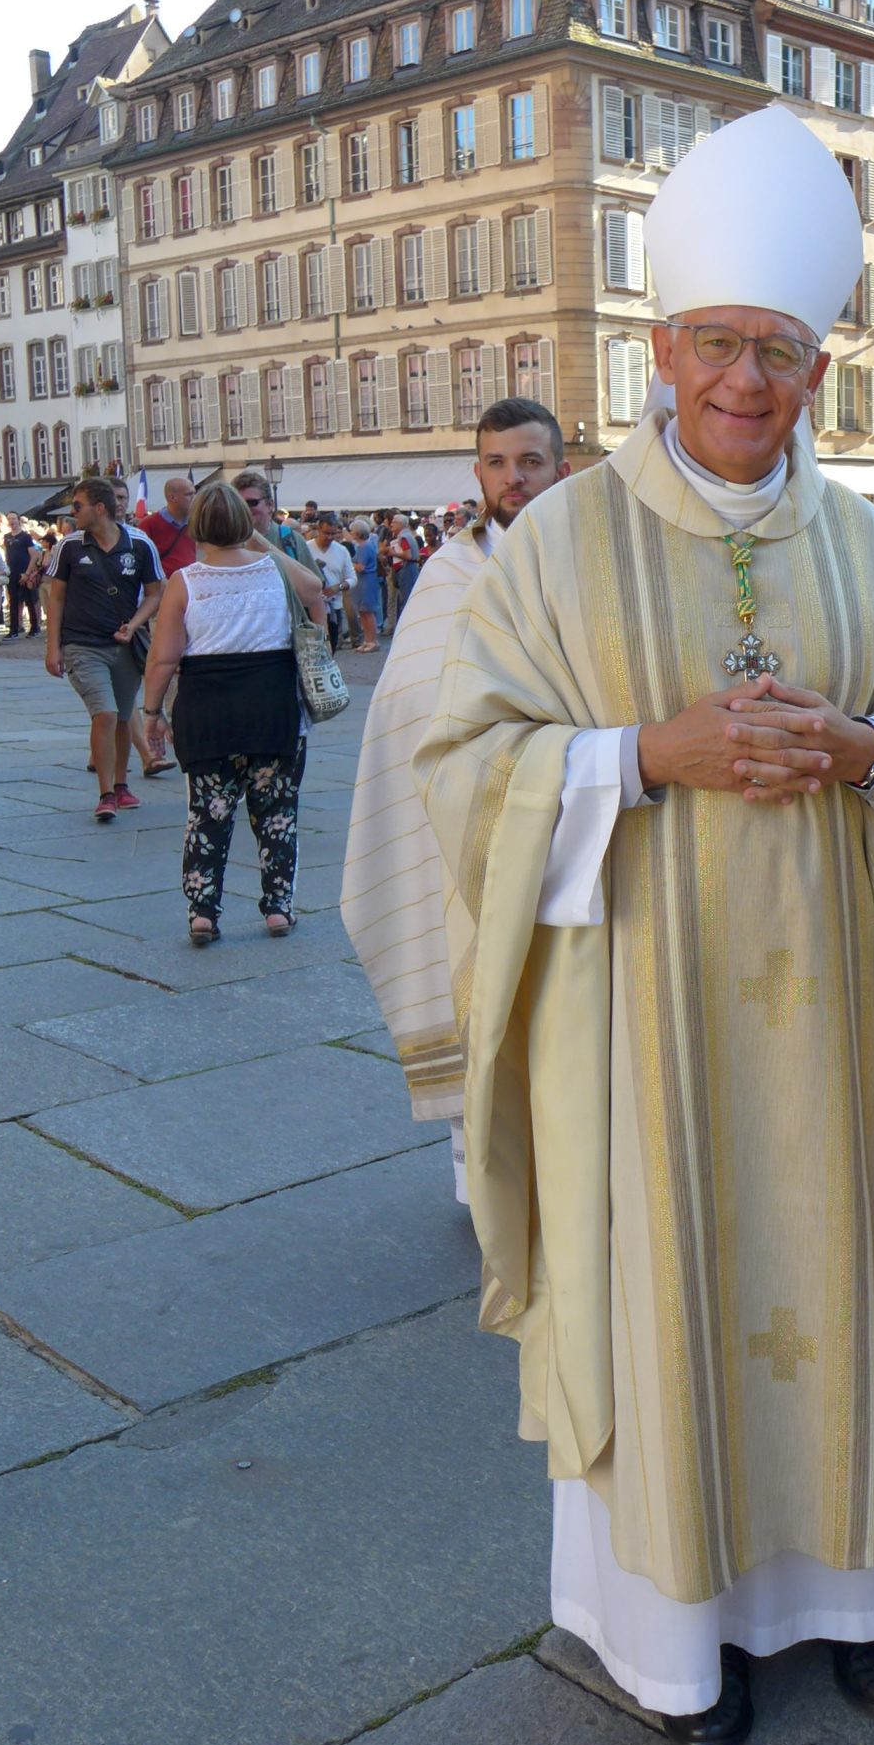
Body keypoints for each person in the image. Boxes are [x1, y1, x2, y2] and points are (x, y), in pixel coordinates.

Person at [414, 107, 874, 1745]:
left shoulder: (870, 542)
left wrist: (869, 749)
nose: (748, 380)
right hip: (641, 1031)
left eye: (781, 352)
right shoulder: (561, 541)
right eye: (720, 344)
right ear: (662, 347)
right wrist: (641, 758)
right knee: (667, 1296)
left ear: (819, 366)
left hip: (836, 1025)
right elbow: (462, 765)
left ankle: (862, 1607)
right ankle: (680, 1642)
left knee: (845, 1298)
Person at [344, 402, 573, 1197]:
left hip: (581, 813)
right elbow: (408, 701)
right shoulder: (449, 573)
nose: (514, 478)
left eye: (530, 462)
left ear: (560, 467)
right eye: (497, 463)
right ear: (478, 473)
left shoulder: (600, 563)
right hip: (468, 819)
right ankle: (477, 1167)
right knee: (467, 974)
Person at [137, 480, 323, 941]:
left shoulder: (185, 582)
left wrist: (152, 712)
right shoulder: (274, 571)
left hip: (208, 712)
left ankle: (203, 913)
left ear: (196, 526)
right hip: (273, 708)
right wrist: (259, 541)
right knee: (277, 813)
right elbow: (315, 589)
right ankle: (278, 907)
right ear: (244, 523)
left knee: (207, 815)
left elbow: (162, 658)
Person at [46, 478, 165, 821]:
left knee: (124, 718)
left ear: (99, 508)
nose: (73, 513)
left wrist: (136, 622)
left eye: (77, 506)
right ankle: (106, 792)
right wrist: (53, 647)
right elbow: (56, 598)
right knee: (106, 713)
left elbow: (156, 592)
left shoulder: (140, 544)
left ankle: (122, 784)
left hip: (124, 646)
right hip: (82, 644)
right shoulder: (69, 546)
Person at [234, 471, 322, 578]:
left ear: (270, 505)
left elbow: (315, 588)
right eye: (238, 503)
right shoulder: (226, 543)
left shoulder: (291, 540)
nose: (244, 509)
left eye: (251, 503)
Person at [310, 519, 358, 650]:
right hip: (310, 607)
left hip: (334, 607)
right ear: (318, 530)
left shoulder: (342, 551)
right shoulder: (306, 548)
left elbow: (352, 578)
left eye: (333, 534)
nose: (330, 537)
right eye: (326, 533)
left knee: (331, 646)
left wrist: (338, 587)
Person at [346, 520, 384, 651]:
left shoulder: (364, 547)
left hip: (366, 580)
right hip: (364, 581)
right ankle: (367, 640)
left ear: (357, 532)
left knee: (367, 612)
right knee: (363, 612)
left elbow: (360, 567)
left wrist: (348, 564)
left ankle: (372, 640)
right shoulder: (364, 546)